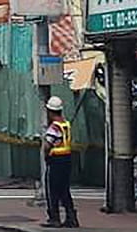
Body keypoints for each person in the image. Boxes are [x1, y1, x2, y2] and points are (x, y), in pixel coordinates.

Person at [41, 96, 78, 229]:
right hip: (67, 159)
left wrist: (46, 156)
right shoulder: (65, 124)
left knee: (52, 190)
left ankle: (54, 218)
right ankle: (71, 217)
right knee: (64, 190)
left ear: (50, 111)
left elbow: (47, 145)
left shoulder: (54, 127)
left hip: (56, 161)